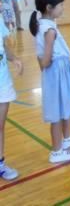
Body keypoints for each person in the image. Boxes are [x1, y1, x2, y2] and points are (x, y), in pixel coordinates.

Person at [29, 0, 70, 163]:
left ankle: (66, 140)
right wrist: (49, 66)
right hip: (56, 72)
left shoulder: (44, 24)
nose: (63, 8)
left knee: (65, 105)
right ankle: (57, 152)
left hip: (59, 71)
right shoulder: (49, 30)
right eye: (61, 5)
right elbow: (45, 60)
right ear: (49, 7)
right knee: (58, 111)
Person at [0, 15, 23, 180]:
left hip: (2, 80)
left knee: (0, 126)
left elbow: (3, 46)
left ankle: (0, 164)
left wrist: (14, 58)